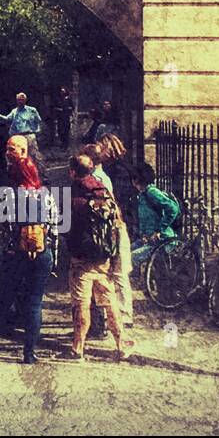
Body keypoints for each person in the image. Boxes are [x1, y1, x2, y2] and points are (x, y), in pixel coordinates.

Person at [0, 135, 57, 364]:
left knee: (2, 301)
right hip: (41, 252)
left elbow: (4, 226)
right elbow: (55, 226)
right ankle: (29, 354)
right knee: (34, 302)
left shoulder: (9, 196)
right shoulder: (46, 195)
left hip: (15, 254)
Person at [63, 154, 131, 361]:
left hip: (82, 260)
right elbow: (117, 221)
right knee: (109, 301)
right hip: (103, 258)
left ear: (73, 171)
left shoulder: (74, 196)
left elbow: (65, 227)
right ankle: (121, 343)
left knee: (81, 303)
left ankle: (78, 346)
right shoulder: (103, 191)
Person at [82, 140, 133, 326]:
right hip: (112, 228)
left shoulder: (98, 179)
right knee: (112, 274)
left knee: (116, 273)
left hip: (111, 229)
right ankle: (115, 316)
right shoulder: (100, 176)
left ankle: (124, 316)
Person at [129, 161, 181, 269]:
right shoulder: (142, 195)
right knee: (124, 253)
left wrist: (159, 230)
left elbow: (173, 208)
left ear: (136, 179)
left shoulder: (152, 192)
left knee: (130, 258)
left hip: (162, 240)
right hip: (149, 240)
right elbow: (145, 219)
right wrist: (143, 234)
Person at [0, 93, 45, 168]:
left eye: (22, 100)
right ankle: (24, 173)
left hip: (29, 134)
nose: (20, 101)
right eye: (19, 100)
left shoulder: (31, 110)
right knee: (20, 155)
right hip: (18, 136)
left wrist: (38, 130)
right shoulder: (14, 111)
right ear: (16, 101)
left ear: (25, 100)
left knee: (34, 155)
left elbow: (38, 120)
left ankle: (40, 173)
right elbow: (7, 119)